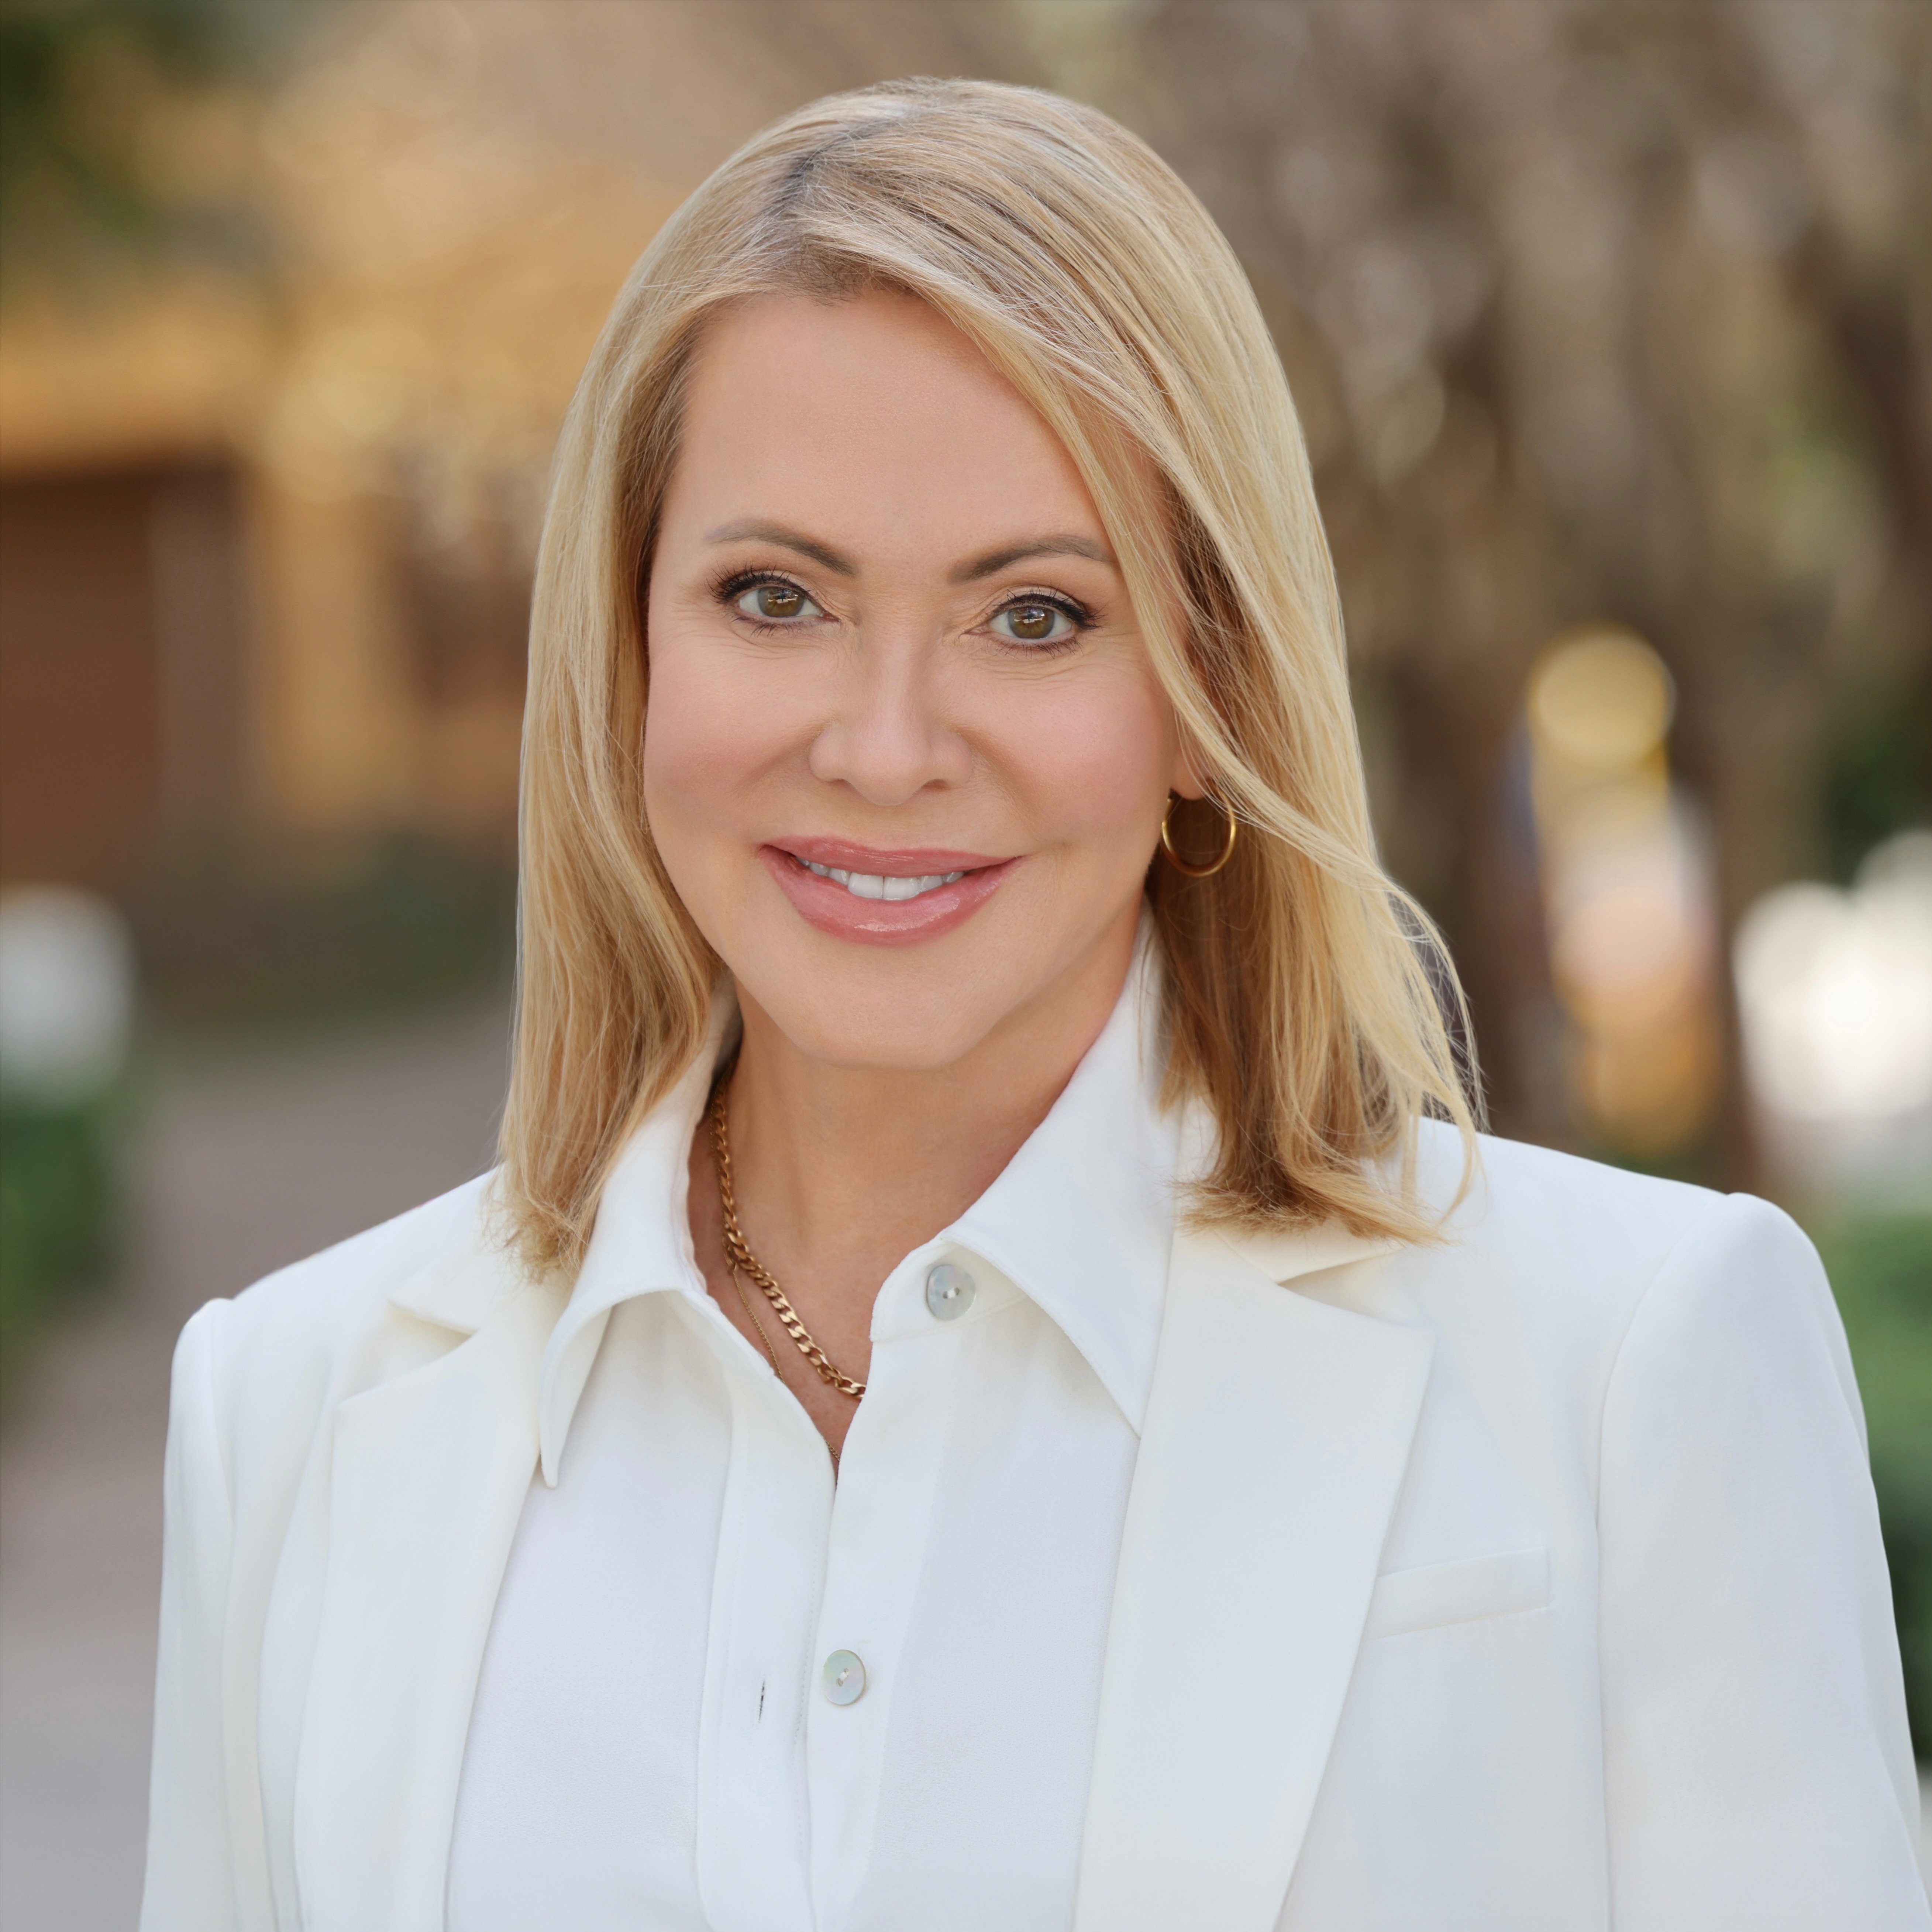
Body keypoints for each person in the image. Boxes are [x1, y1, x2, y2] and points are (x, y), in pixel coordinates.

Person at [139, 79, 1924, 1932]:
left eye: (1036, 616)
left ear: (1206, 695)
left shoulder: (1629, 1359)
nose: (887, 747)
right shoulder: (289, 1408)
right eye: (774, 595)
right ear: (626, 653)